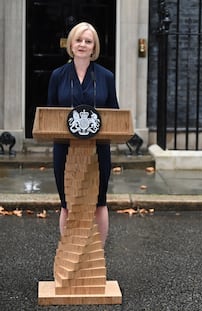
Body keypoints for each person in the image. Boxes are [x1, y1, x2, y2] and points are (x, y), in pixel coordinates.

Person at [47, 22, 119, 245]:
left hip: (98, 150)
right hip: (65, 149)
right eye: (78, 40)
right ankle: (71, 256)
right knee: (67, 203)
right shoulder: (58, 75)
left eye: (88, 41)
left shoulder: (106, 76)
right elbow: (50, 114)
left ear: (94, 47)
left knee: (99, 202)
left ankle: (97, 256)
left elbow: (115, 113)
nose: (83, 45)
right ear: (71, 43)